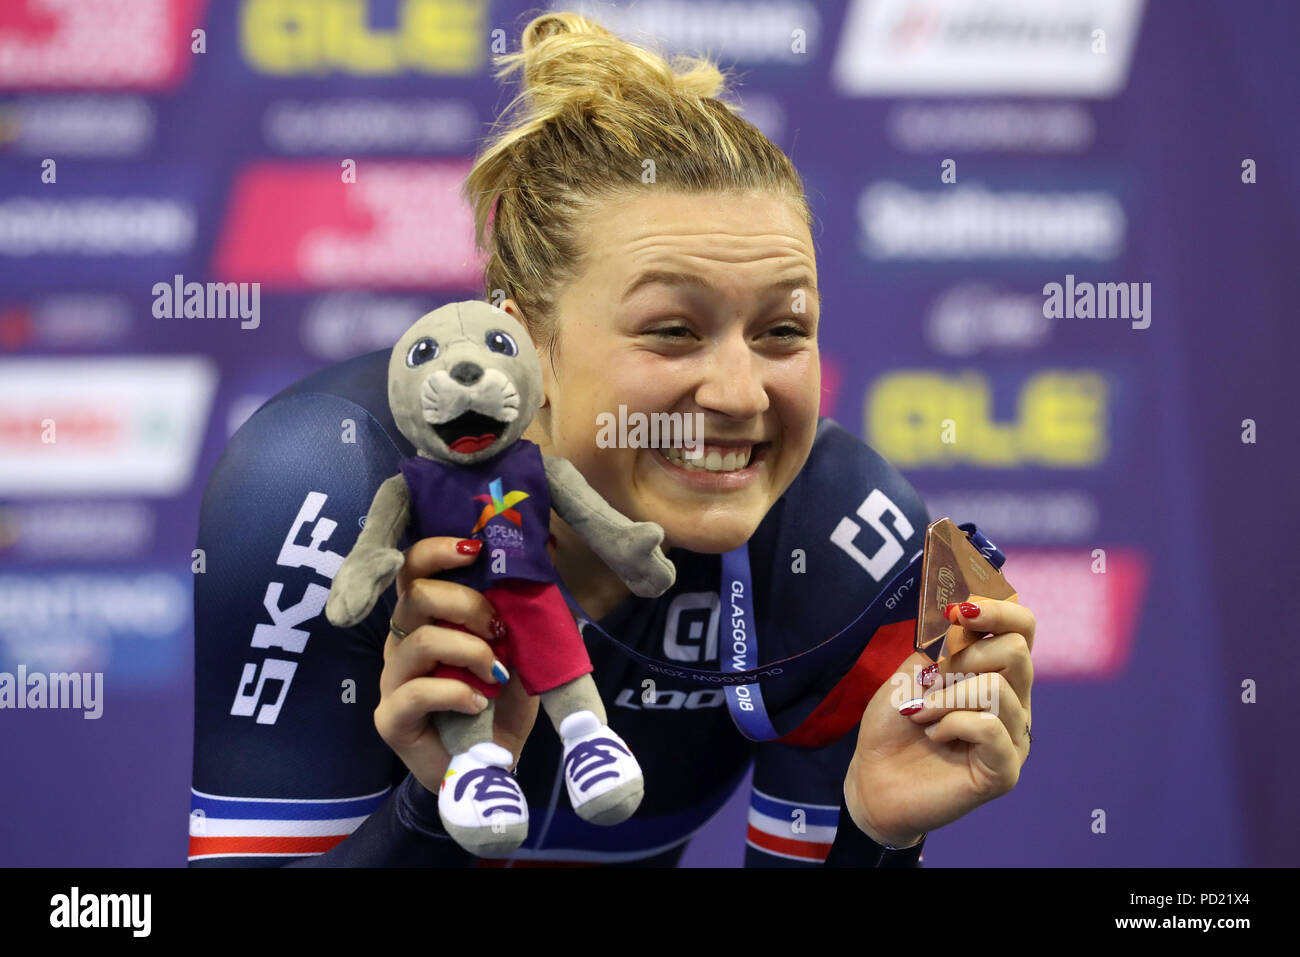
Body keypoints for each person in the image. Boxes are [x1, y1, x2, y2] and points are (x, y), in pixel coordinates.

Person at [188, 11, 1035, 868]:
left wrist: (878, 835)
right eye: (671, 329)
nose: (742, 395)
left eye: (782, 330)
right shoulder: (324, 483)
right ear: (522, 348)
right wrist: (435, 812)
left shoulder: (847, 536)